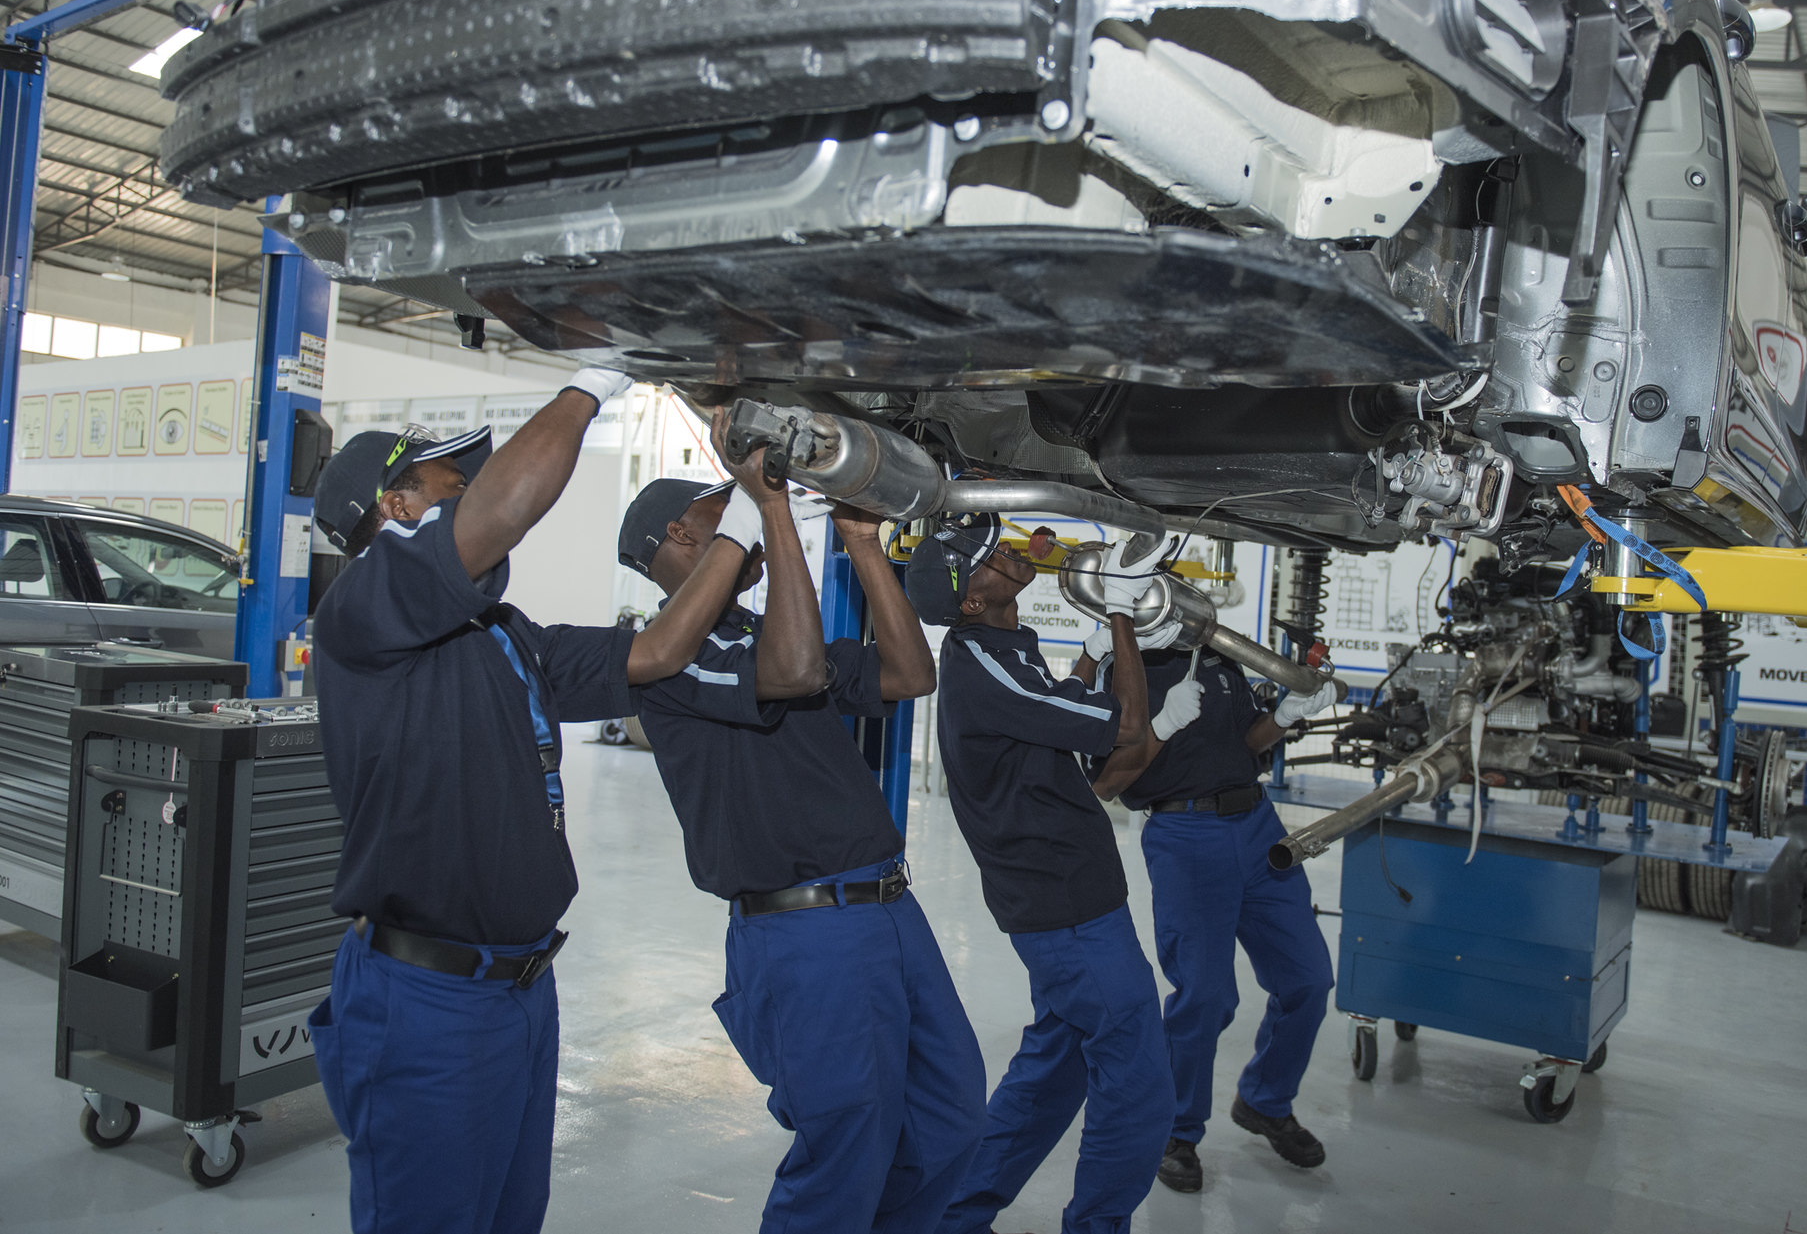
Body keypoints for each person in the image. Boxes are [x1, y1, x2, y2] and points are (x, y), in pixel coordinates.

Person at [307, 370, 735, 1234]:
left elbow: (656, 651)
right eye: (450, 483)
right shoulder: (361, 604)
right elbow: (505, 511)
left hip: (521, 991)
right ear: (396, 509)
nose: (471, 494)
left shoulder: (504, 635)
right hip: (427, 1003)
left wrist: (753, 523)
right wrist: (597, 378)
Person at [616, 458, 985, 1233]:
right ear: (680, 533)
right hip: (806, 932)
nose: (747, 516)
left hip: (889, 909)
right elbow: (796, 668)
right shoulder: (666, 653)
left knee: (948, 1118)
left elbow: (909, 673)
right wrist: (772, 508)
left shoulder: (766, 631)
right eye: (727, 508)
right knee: (844, 1155)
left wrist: (863, 544)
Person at [906, 519, 1189, 1234]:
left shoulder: (1003, 648)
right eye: (988, 559)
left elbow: (1053, 714)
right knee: (1140, 1086)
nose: (1006, 553)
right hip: (1068, 910)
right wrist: (1120, 612)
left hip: (1064, 901)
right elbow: (1126, 727)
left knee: (1052, 1072)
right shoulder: (982, 664)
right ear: (972, 601)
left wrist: (1094, 653)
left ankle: (954, 1216)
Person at [1072, 633, 1340, 1194]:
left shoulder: (1217, 654)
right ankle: (1176, 1132)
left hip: (1258, 825)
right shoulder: (1124, 667)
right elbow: (1105, 782)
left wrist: (1285, 715)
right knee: (1205, 996)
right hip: (1185, 834)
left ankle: (1265, 1100)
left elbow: (1247, 741)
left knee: (1309, 978)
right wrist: (1161, 725)